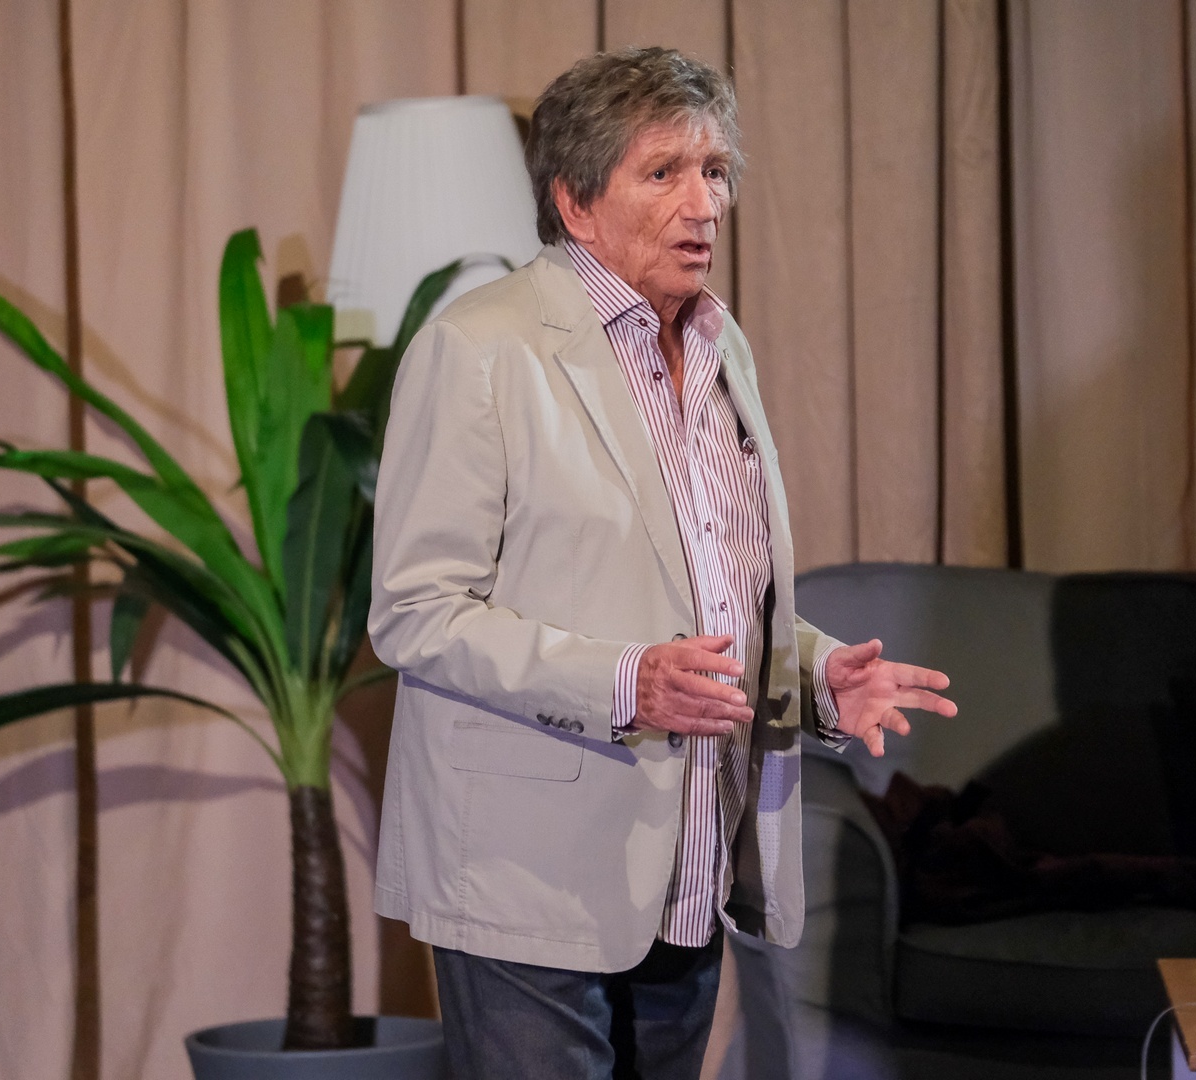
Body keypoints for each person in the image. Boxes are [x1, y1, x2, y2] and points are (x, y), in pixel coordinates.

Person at [368, 46, 956, 1079]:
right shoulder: (481, 349)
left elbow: (718, 597)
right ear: (575, 201)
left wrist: (815, 676)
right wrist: (625, 683)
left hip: (690, 867)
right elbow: (416, 612)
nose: (705, 203)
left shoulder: (725, 348)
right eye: (664, 172)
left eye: (716, 170)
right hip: (524, 877)